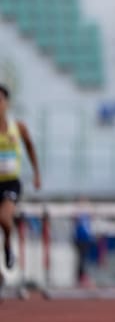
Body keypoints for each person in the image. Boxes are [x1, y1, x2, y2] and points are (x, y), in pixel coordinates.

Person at [0, 84, 41, 281]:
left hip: (10, 183)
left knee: (5, 220)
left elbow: (31, 148)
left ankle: (7, 244)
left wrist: (36, 173)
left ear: (7, 103)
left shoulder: (18, 127)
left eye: (0, 100)